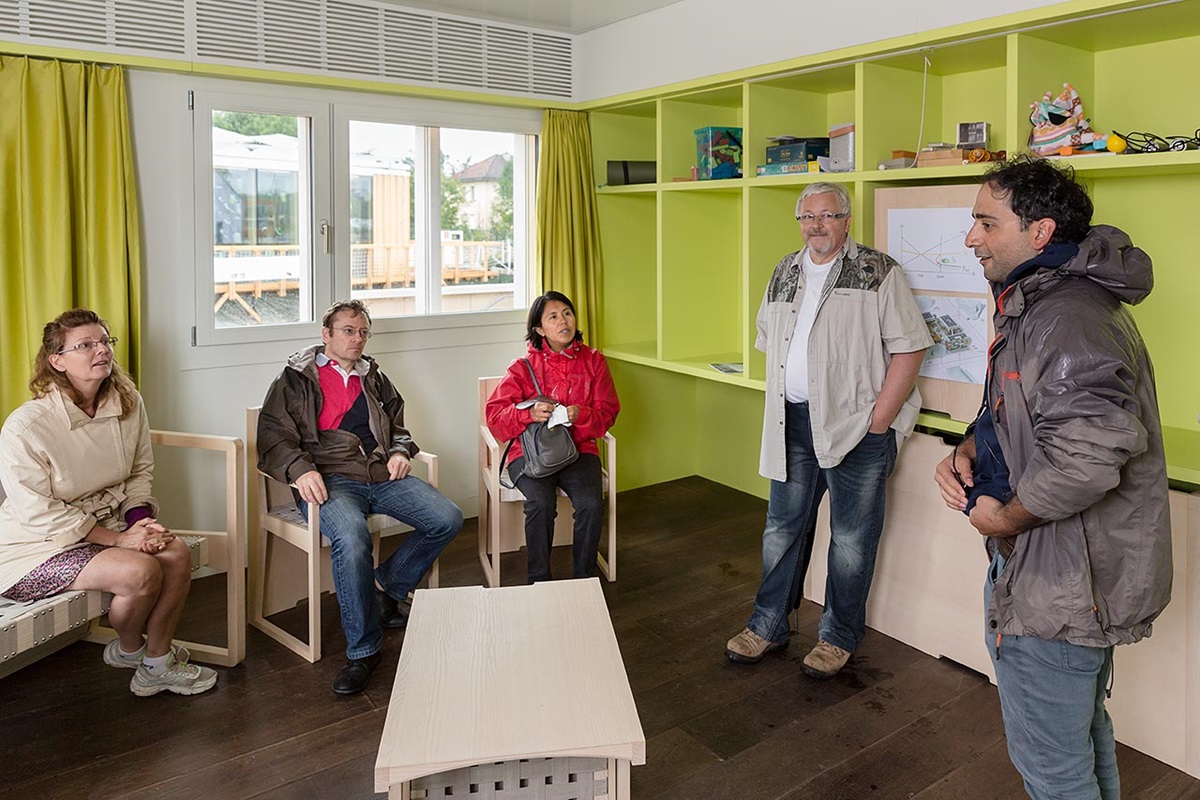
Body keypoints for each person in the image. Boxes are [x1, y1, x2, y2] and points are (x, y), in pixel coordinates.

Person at [933, 155, 1171, 799]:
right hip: (1058, 572)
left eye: (986, 223)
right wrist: (969, 447)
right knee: (1081, 743)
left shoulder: (1066, 316)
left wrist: (1004, 519)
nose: (971, 238)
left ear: (1039, 232)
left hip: (1060, 582)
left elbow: (1087, 456)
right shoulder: (1041, 302)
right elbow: (1021, 411)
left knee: (1055, 771)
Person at [726, 182, 932, 678]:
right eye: (808, 216)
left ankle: (838, 638)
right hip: (793, 422)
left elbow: (910, 347)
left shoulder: (877, 271)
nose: (816, 225)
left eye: (827, 215)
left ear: (846, 220)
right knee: (781, 530)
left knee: (851, 540)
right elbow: (768, 338)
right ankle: (768, 625)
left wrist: (879, 421)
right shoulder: (785, 270)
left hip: (855, 427)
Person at [0, 309, 217, 697]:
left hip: (108, 525)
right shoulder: (27, 426)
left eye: (104, 341)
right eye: (85, 345)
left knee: (176, 553)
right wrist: (119, 540)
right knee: (139, 572)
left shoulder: (127, 402)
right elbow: (37, 513)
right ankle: (133, 651)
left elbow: (139, 471)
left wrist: (139, 522)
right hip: (35, 546)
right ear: (57, 361)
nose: (101, 350)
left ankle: (156, 663)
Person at [257, 299, 462, 695]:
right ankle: (364, 651)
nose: (357, 339)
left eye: (363, 332)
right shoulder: (295, 379)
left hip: (380, 474)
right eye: (348, 331)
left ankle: (385, 588)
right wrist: (300, 470)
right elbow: (273, 436)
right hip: (329, 480)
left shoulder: (374, 376)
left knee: (447, 517)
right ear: (326, 334)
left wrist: (400, 451)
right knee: (352, 539)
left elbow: (398, 425)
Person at [485, 291, 620, 583]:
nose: (563, 321)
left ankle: (583, 580)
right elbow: (495, 419)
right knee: (540, 503)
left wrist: (581, 414)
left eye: (567, 313)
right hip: (529, 454)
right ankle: (539, 581)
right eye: (553, 317)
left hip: (579, 450)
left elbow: (608, 413)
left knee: (591, 504)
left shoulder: (594, 361)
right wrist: (528, 414)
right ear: (539, 328)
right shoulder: (521, 368)